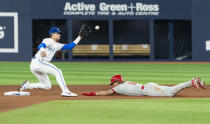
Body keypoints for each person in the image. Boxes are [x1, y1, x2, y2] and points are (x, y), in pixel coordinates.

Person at [20, 25, 92, 97]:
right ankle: (65, 91)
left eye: (59, 33)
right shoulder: (48, 40)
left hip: (37, 65)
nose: (59, 35)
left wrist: (80, 37)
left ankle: (28, 86)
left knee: (47, 86)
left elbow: (70, 46)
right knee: (58, 71)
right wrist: (42, 50)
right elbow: (41, 45)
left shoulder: (57, 45)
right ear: (53, 34)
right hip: (38, 62)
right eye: (58, 33)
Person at [81, 75, 207, 97]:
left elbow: (107, 92)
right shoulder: (125, 83)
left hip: (148, 89)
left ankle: (191, 82)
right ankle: (191, 82)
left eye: (113, 82)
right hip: (148, 86)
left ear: (117, 81)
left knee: (169, 93)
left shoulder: (118, 87)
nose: (112, 84)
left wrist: (91, 94)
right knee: (170, 90)